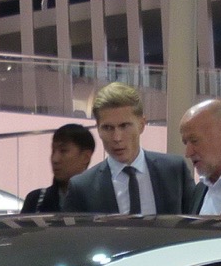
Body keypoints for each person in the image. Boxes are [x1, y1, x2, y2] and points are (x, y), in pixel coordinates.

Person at [62, 82, 196, 216]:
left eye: (124, 126)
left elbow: (195, 222)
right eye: (108, 128)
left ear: (142, 125)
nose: (117, 137)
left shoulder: (174, 170)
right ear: (98, 129)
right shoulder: (82, 188)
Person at [22, 123, 95, 214]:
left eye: (63, 151)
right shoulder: (35, 200)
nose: (55, 159)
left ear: (86, 157)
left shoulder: (102, 200)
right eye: (53, 151)